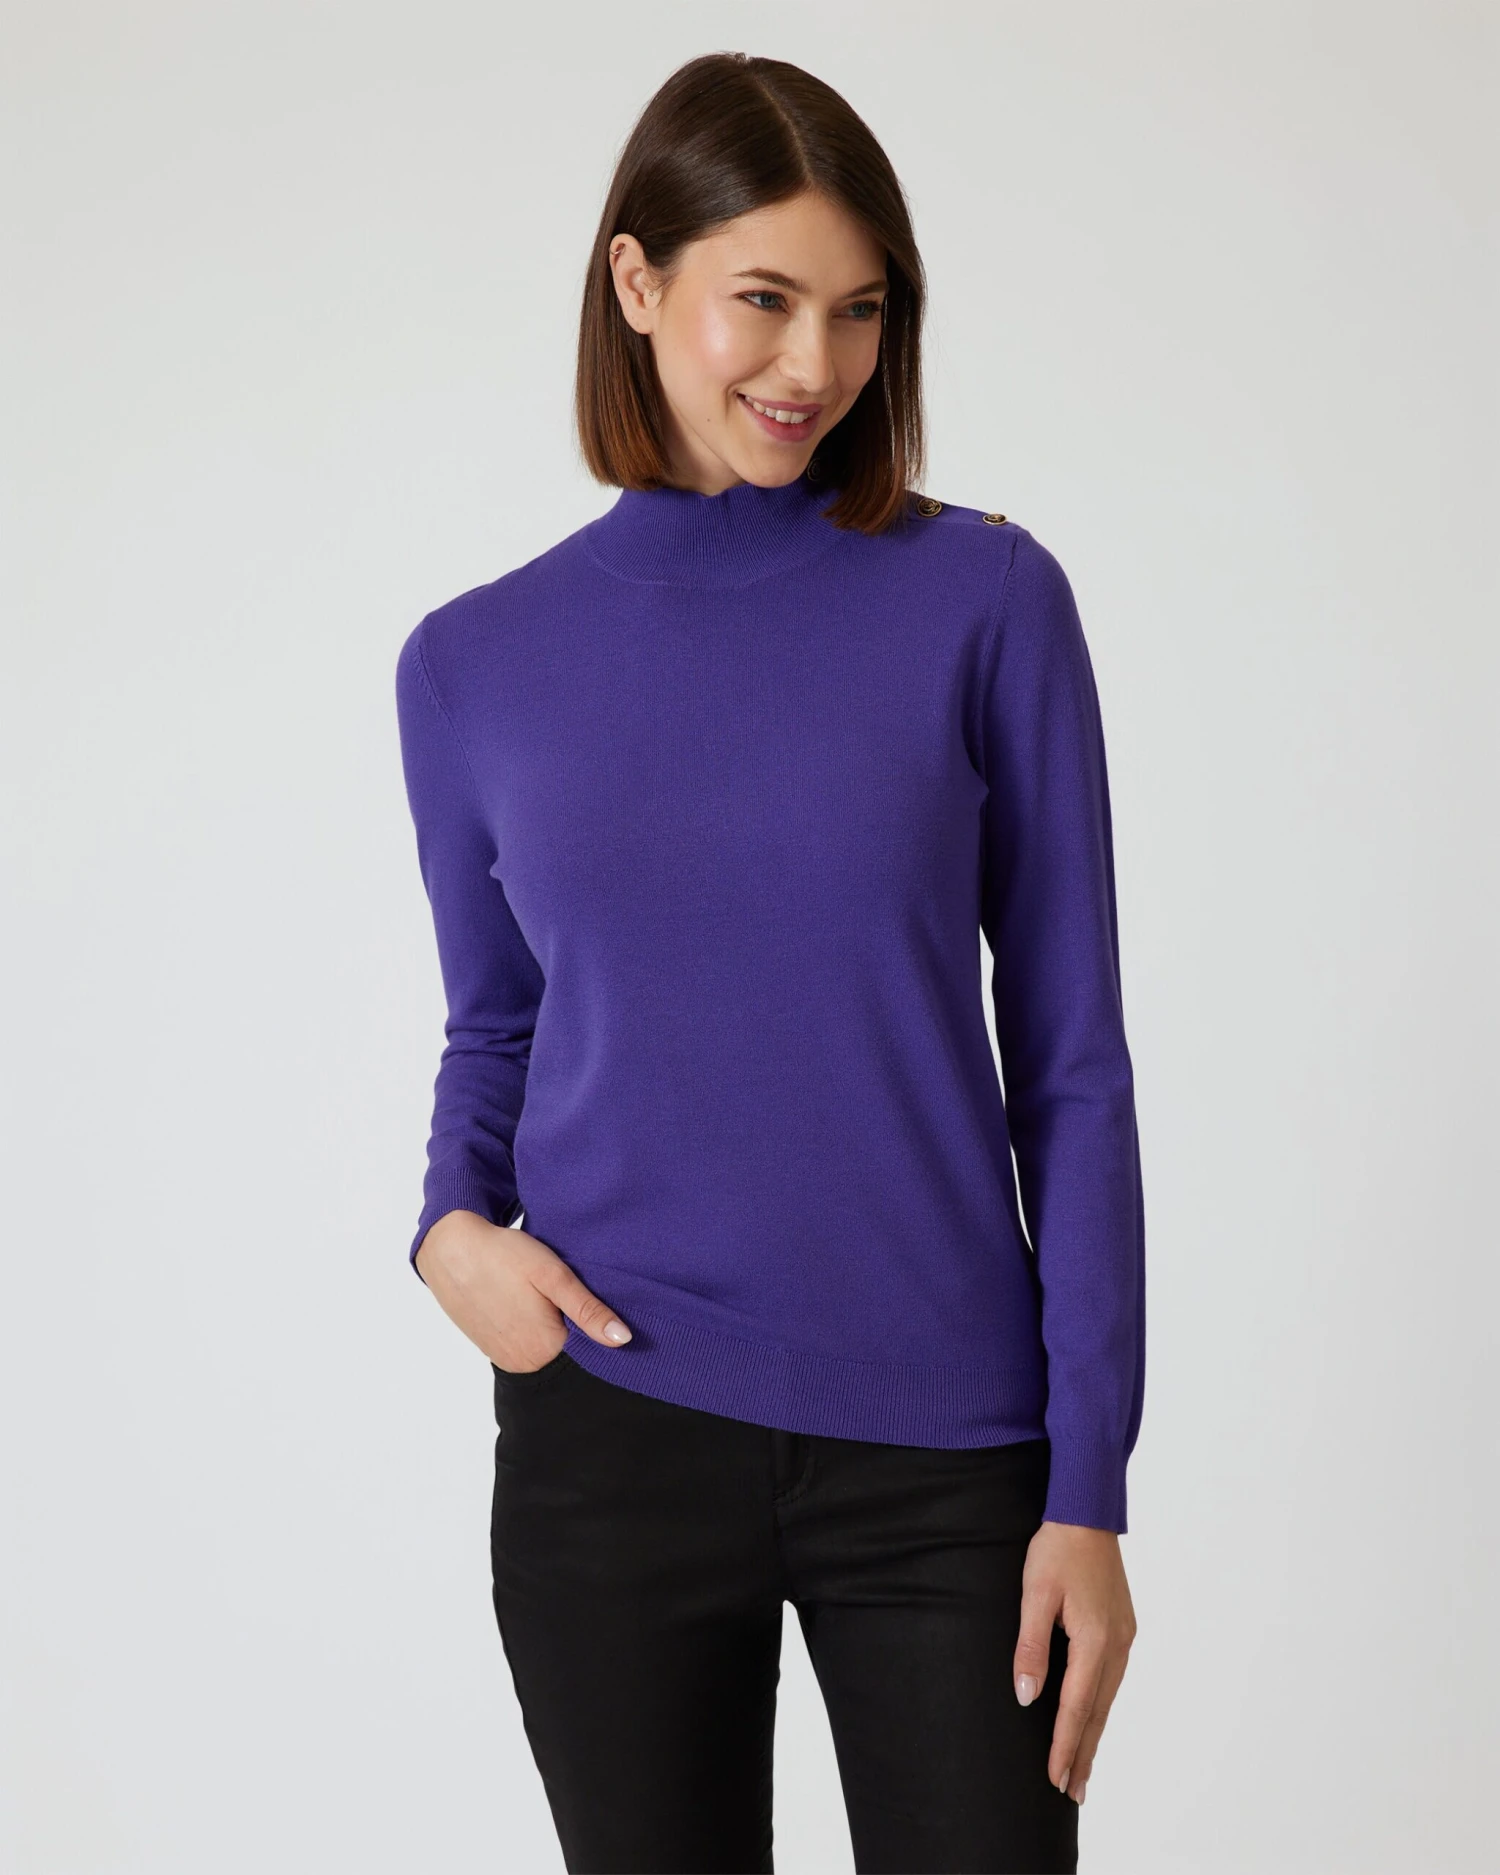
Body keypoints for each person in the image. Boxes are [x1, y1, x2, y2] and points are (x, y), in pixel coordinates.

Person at [395, 49, 1144, 1875]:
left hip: (950, 1461)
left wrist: (1088, 1485)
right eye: (765, 298)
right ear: (637, 282)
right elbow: (498, 1021)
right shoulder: (471, 663)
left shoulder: (988, 602)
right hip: (613, 1434)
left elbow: (1072, 1065)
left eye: (860, 310)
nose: (814, 363)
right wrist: (445, 1228)